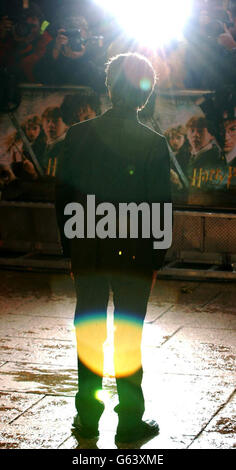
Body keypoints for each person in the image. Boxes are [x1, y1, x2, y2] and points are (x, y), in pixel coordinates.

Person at [56, 52, 172, 445]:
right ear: (147, 93)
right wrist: (156, 259)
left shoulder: (77, 135)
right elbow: (159, 207)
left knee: (88, 333)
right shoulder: (154, 143)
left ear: (108, 87)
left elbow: (65, 198)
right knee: (128, 336)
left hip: (87, 246)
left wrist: (71, 249)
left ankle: (87, 419)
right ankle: (129, 421)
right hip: (135, 253)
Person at [0, 2, 52, 82]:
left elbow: (30, 69)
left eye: (33, 26)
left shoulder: (46, 41)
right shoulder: (9, 39)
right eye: (24, 26)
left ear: (40, 25)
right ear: (15, 25)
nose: (29, 31)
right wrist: (1, 37)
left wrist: (23, 45)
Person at [40, 107, 68, 176]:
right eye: (47, 121)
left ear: (66, 125)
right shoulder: (42, 144)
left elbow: (51, 177)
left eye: (55, 121)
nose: (50, 125)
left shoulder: (65, 145)